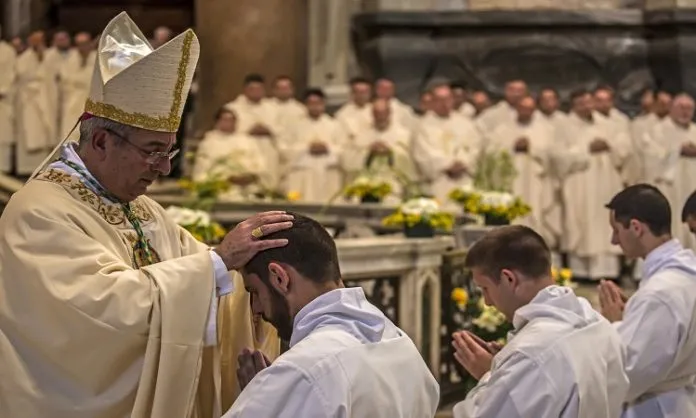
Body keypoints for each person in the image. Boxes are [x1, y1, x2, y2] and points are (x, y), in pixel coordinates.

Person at [0, 12, 289, 417]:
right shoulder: (39, 212)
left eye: (169, 151)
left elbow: (200, 266)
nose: (164, 167)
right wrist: (220, 262)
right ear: (100, 140)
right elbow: (101, 312)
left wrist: (256, 271)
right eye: (152, 151)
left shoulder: (138, 206)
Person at [223, 214, 440, 417]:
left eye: (255, 292)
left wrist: (267, 398)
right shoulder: (402, 345)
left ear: (280, 277)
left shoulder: (302, 370)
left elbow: (312, 378)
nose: (257, 308)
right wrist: (271, 396)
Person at [452, 225, 629, 418]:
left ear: (509, 279)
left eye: (485, 288)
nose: (487, 301)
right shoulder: (598, 322)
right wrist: (506, 367)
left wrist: (490, 376)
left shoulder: (530, 354)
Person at [600, 184, 696, 417]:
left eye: (616, 230)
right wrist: (633, 311)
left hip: (654, 408)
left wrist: (613, 325)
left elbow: (629, 374)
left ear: (635, 228)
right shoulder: (685, 273)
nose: (614, 241)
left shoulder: (659, 293)